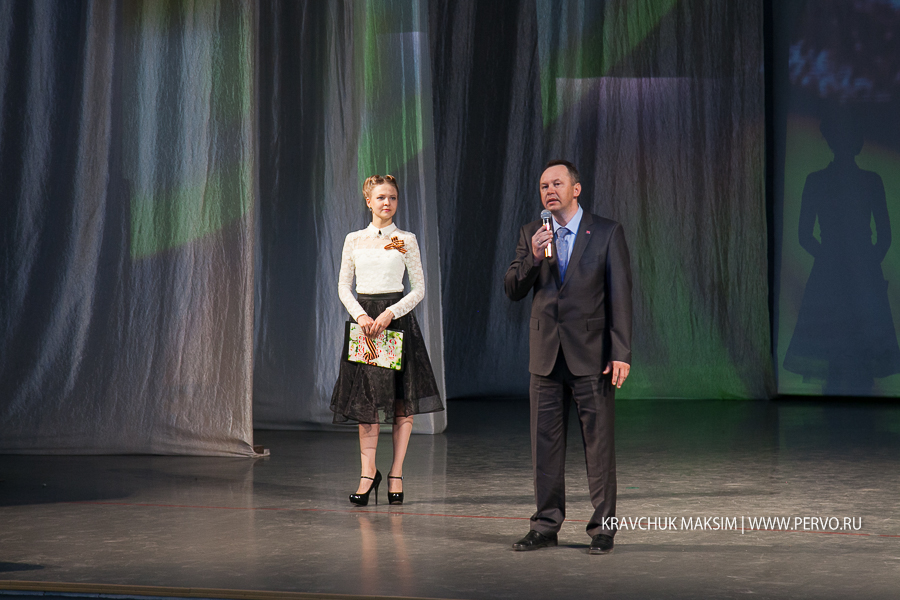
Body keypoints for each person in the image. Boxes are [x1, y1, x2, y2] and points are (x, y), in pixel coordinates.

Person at [504, 160, 632, 554]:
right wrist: (534, 257)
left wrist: (620, 351)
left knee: (599, 446)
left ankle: (603, 528)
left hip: (592, 355)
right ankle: (545, 525)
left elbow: (620, 296)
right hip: (545, 356)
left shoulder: (606, 232)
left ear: (576, 189)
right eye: (544, 186)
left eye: (557, 184)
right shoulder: (532, 233)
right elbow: (512, 288)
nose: (549, 191)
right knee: (544, 446)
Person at [331, 174, 444, 507]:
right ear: (369, 201)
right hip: (366, 324)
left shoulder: (404, 239)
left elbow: (419, 289)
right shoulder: (354, 239)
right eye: (381, 197)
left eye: (392, 197)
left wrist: (390, 313)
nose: (387, 203)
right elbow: (343, 286)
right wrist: (361, 316)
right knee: (366, 401)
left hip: (395, 322)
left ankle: (395, 473)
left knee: (400, 400)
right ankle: (368, 473)